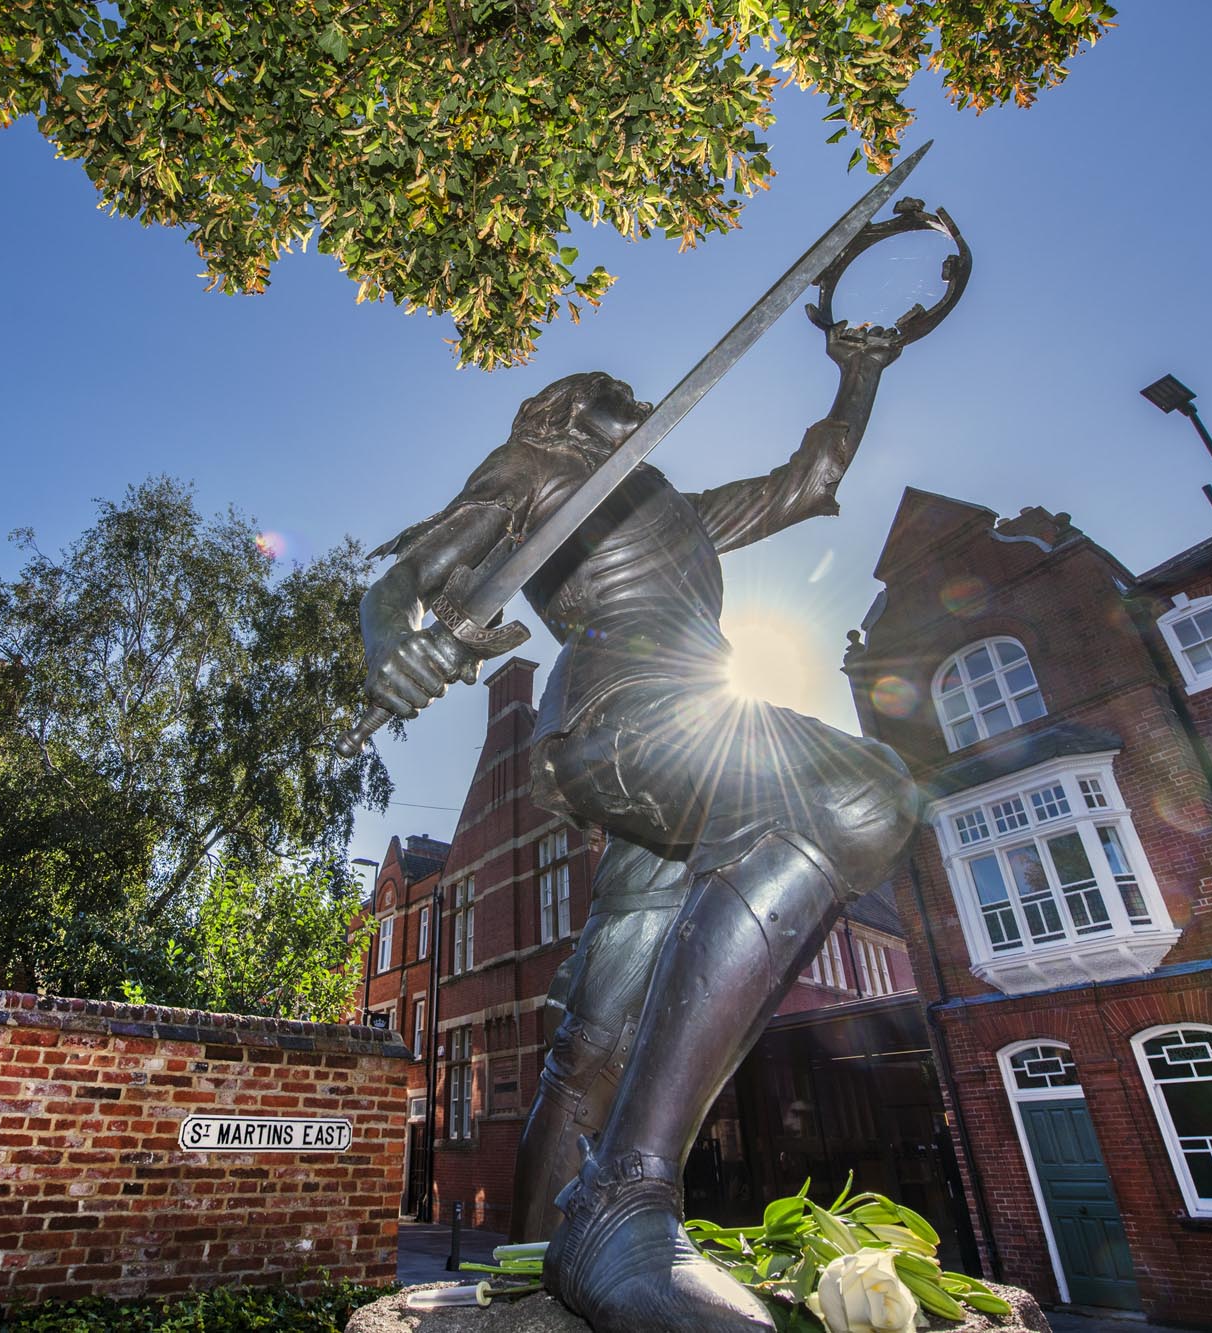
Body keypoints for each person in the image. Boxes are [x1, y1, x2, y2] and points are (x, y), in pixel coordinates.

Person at [358, 322, 916, 1333]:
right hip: (618, 715)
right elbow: (411, 577)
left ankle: (533, 1268)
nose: (642, 402)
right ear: (573, 413)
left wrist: (860, 371)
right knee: (862, 794)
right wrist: (391, 641)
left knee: (598, 1040)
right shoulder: (541, 465)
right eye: (618, 393)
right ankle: (626, 1198)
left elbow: (809, 479)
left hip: (692, 717)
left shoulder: (679, 509)